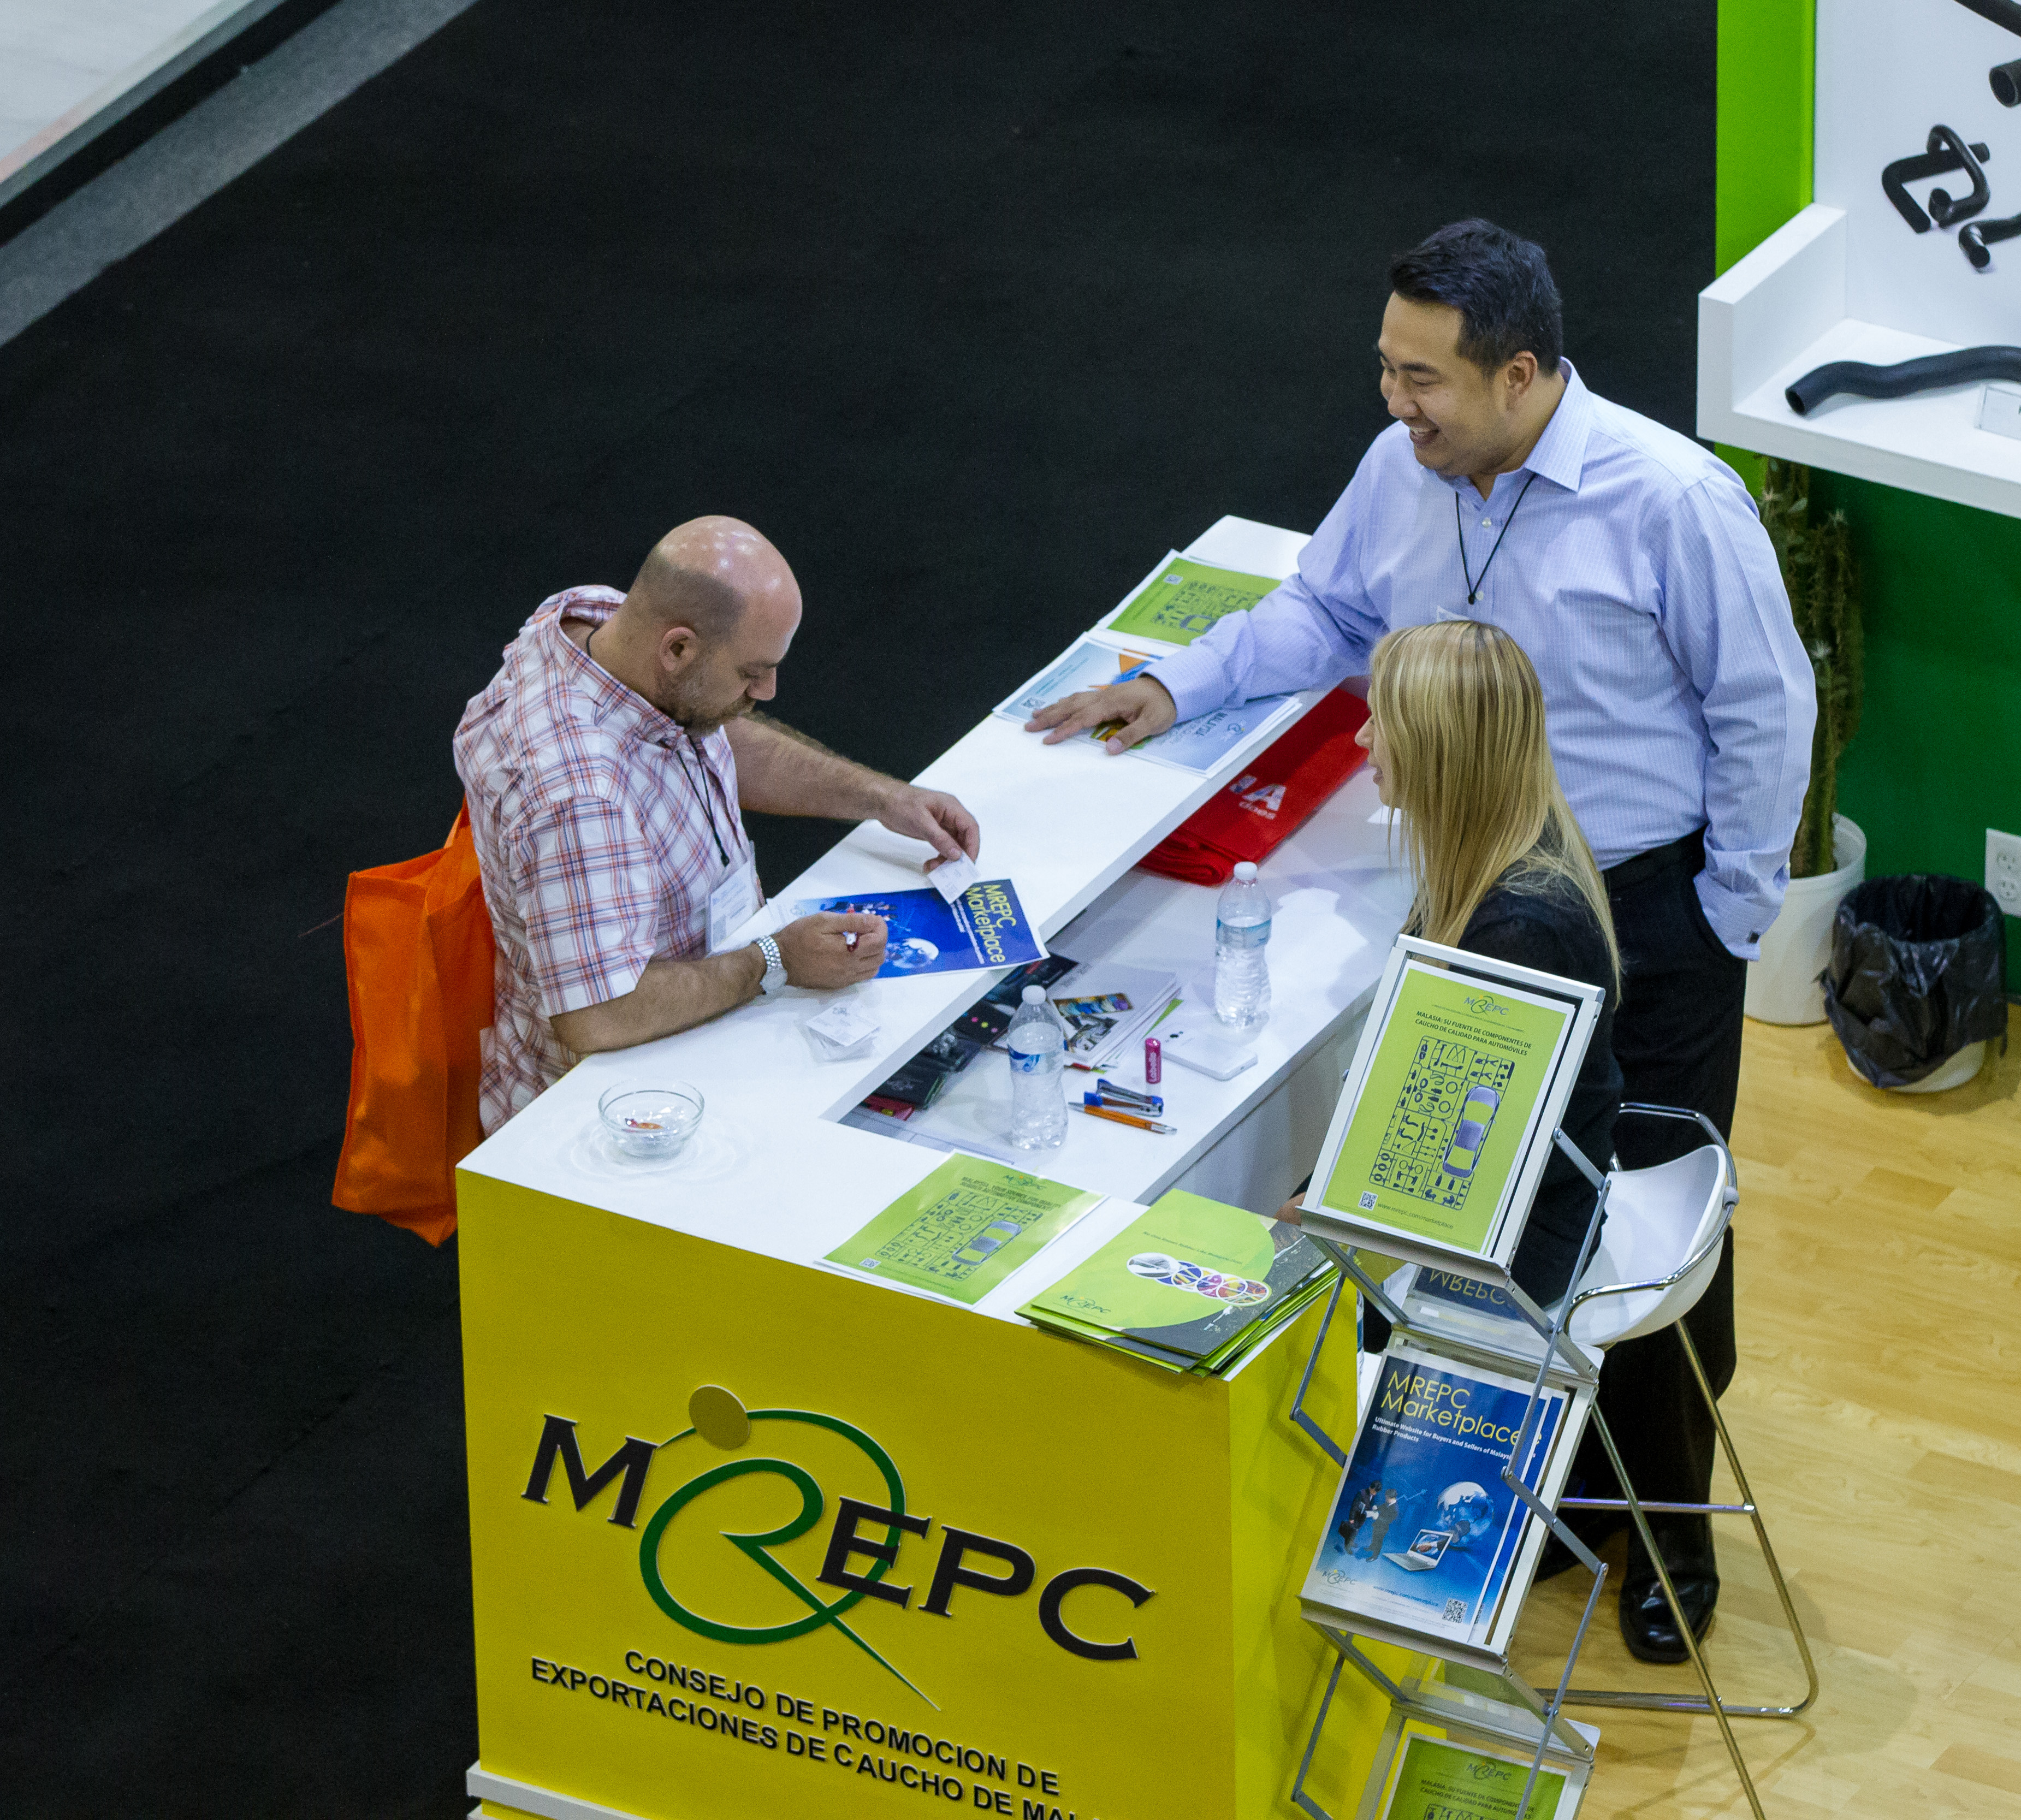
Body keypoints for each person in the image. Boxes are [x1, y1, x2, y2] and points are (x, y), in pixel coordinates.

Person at [1033, 221, 1812, 1662]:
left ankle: (1667, 1531)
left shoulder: (1672, 502)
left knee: (1631, 1227)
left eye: (1426, 379)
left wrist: (1729, 914)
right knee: (1501, 1212)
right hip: (1473, 891)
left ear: (1521, 374)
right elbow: (1326, 610)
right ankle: (1555, 1490)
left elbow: (1765, 712)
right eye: (1388, 369)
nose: (1398, 406)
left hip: (1643, 913)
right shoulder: (1407, 470)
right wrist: (1179, 686)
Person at [455, 516, 980, 1133]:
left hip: (705, 1007)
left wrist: (879, 797)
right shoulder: (577, 796)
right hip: (624, 1106)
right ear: (677, 648)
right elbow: (600, 1014)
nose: (769, 689)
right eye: (751, 672)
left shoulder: (606, 627)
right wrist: (772, 962)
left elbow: (707, 727)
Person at [1351, 620, 1621, 1326]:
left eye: (1382, 718)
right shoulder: (1515, 845)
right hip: (1528, 1200)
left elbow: (1464, 1162)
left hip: (1519, 1249)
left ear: (1437, 746)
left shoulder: (1518, 930)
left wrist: (1328, 1217)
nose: (1363, 738)